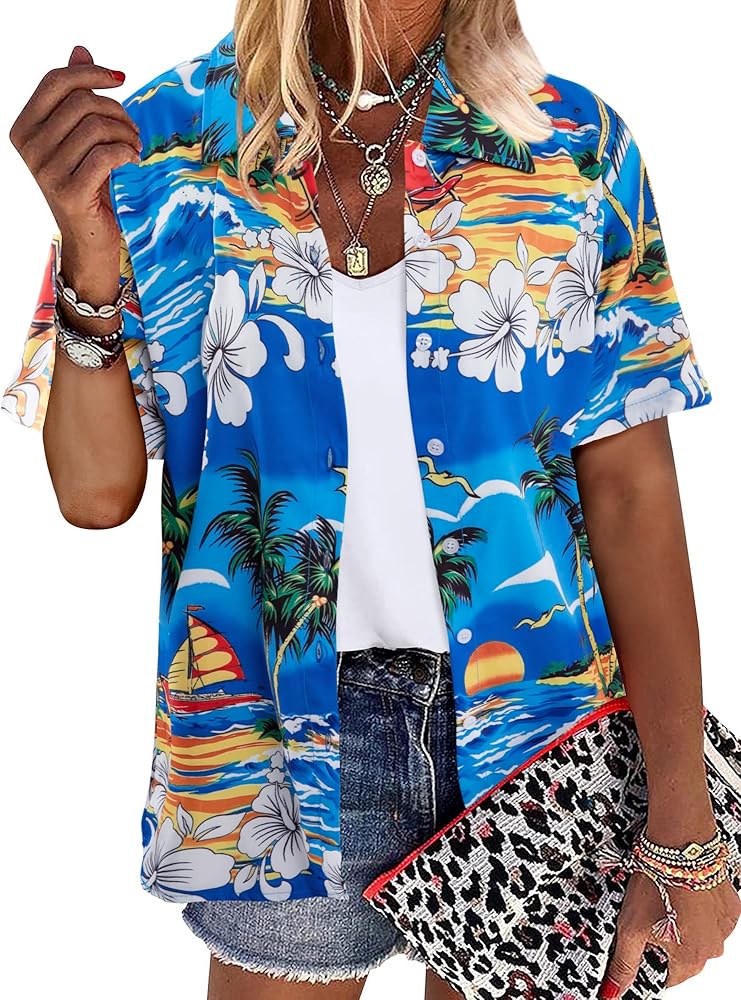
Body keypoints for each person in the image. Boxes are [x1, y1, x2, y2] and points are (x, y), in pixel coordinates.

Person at [4, 1, 740, 998]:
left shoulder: (572, 147)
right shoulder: (164, 146)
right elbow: (94, 494)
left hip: (537, 731)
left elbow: (632, 496)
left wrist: (686, 824)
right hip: (276, 737)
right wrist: (88, 254)